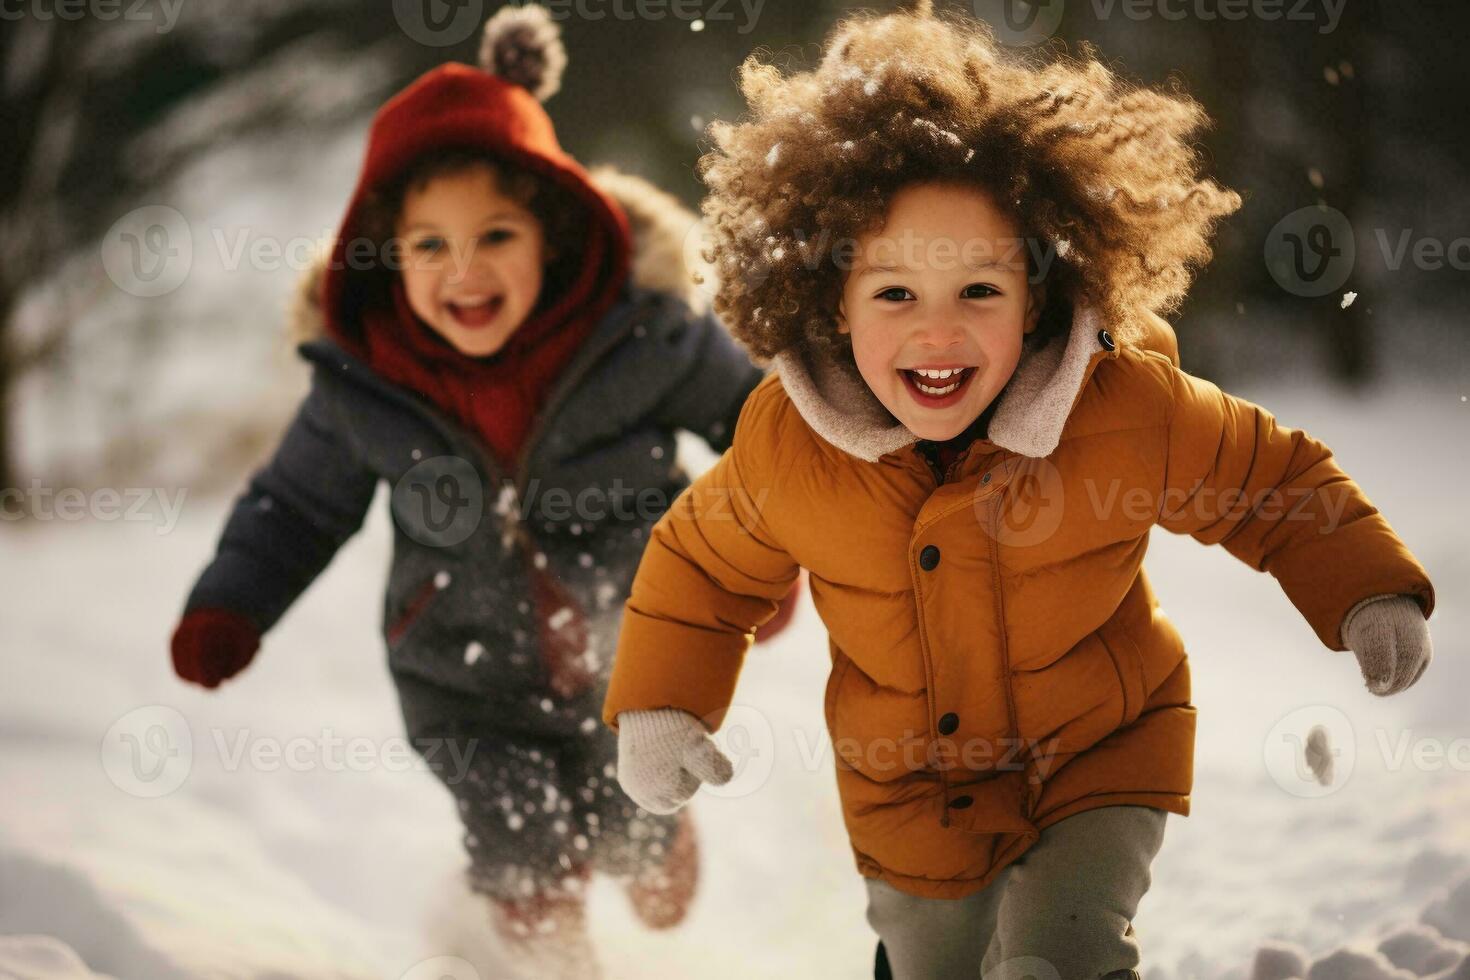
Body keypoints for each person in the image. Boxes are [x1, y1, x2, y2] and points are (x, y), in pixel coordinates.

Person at [602, 4, 1435, 979]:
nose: (938, 332)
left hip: (1098, 756)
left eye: (980, 292)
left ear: (1039, 293)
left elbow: (1271, 480)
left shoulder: (1121, 408)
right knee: (934, 962)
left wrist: (1367, 586)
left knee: (1058, 955)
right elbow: (699, 566)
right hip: (910, 799)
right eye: (896, 294)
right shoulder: (794, 446)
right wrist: (662, 708)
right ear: (831, 301)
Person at [169, 6, 792, 976]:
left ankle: (655, 843)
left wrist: (759, 564)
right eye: (429, 246)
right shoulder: (364, 384)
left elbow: (769, 437)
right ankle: (543, 960)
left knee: (645, 864)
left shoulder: (644, 336)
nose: (465, 270)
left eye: (494, 233)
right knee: (523, 861)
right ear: (383, 256)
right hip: (460, 683)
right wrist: (231, 600)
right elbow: (293, 506)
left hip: (637, 663)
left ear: (553, 233)